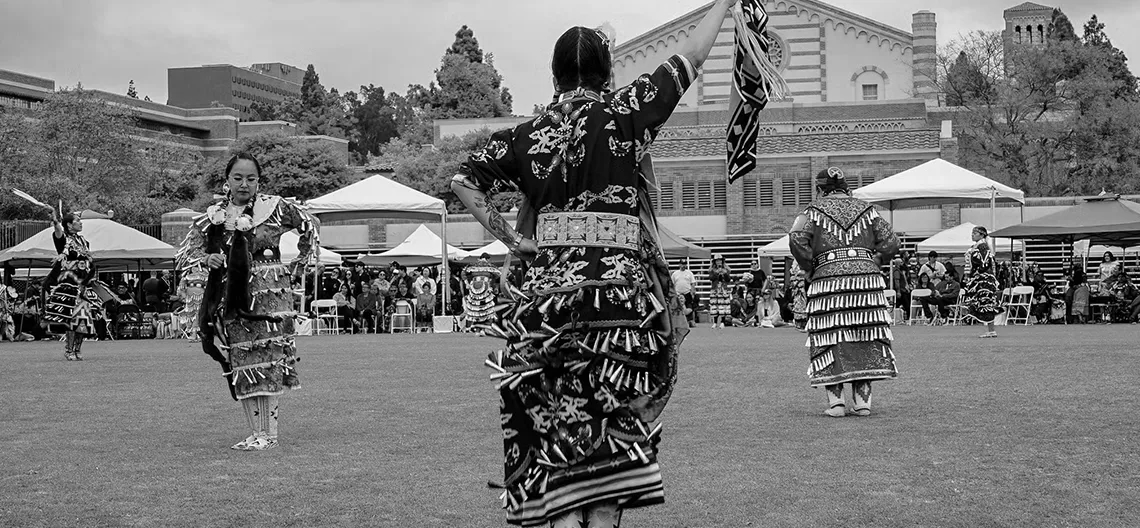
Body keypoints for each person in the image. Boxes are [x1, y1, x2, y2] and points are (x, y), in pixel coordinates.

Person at [449, 2, 738, 522]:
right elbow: (693, 53)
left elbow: (464, 183)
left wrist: (515, 238)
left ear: (554, 74)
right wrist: (723, 2)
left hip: (543, 308)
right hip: (616, 302)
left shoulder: (525, 135)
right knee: (611, 428)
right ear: (607, 72)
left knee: (551, 426)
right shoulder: (628, 112)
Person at [176, 152, 319, 451]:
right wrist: (207, 258)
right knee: (241, 360)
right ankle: (257, 433)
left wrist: (300, 263)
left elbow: (310, 223)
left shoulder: (274, 208)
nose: (244, 184)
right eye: (238, 178)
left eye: (251, 179)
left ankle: (270, 435)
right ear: (227, 180)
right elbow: (188, 252)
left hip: (269, 294)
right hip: (230, 295)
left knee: (266, 359)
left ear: (259, 181)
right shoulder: (215, 215)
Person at [789, 166, 899, 417]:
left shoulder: (812, 211)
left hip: (829, 281)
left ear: (819, 189)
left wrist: (809, 265)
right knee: (865, 335)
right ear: (846, 188)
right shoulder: (868, 210)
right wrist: (876, 260)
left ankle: (836, 404)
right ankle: (863, 404)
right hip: (866, 282)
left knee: (830, 335)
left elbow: (796, 237)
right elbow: (892, 241)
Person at [40, 207, 104, 361]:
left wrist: (88, 277)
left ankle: (77, 349)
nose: (81, 223)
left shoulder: (83, 241)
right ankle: (69, 350)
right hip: (68, 284)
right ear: (69, 225)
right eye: (77, 221)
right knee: (71, 317)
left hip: (82, 283)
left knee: (83, 317)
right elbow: (58, 231)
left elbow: (88, 261)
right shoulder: (63, 240)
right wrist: (55, 220)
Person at [963, 225, 1001, 338]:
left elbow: (985, 263)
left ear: (982, 235)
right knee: (983, 302)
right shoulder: (977, 246)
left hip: (984, 279)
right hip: (979, 278)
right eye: (972, 233)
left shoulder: (983, 246)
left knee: (986, 302)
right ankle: (990, 329)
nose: (972, 235)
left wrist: (977, 272)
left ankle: (991, 330)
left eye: (975, 233)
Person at [463, 253, 500, 329]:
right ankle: (487, 325)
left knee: (474, 307)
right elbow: (499, 274)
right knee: (487, 307)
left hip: (475, 287)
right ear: (487, 259)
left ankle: (471, 326)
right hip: (485, 287)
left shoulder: (472, 265)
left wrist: (467, 283)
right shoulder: (490, 266)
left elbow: (463, 273)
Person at [708, 254, 733, 329]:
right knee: (715, 305)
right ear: (714, 262)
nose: (719, 262)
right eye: (717, 261)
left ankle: (722, 322)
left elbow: (728, 279)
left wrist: (724, 273)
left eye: (720, 260)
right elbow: (711, 278)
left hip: (723, 289)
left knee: (723, 305)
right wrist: (716, 273)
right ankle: (715, 322)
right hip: (715, 289)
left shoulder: (726, 269)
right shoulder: (711, 270)